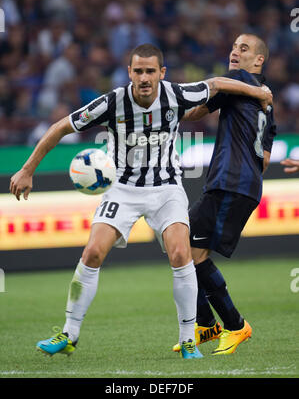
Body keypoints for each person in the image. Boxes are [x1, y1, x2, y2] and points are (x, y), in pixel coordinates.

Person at [9, 43, 272, 360]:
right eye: (138, 71)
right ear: (129, 72)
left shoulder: (176, 94)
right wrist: (27, 169)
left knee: (180, 252)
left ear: (161, 73)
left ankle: (188, 339)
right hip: (123, 190)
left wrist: (258, 93)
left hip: (166, 189)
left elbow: (216, 84)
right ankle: (69, 333)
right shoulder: (113, 102)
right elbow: (60, 127)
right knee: (92, 252)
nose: (144, 77)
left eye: (150, 71)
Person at [172, 33, 277, 355]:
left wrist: (166, 103)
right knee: (181, 249)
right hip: (242, 184)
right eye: (233, 46)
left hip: (230, 182)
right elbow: (266, 159)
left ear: (258, 60)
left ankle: (234, 325)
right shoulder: (266, 105)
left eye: (243, 48)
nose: (235, 52)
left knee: (192, 254)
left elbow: (210, 91)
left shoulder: (240, 80)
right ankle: (205, 325)